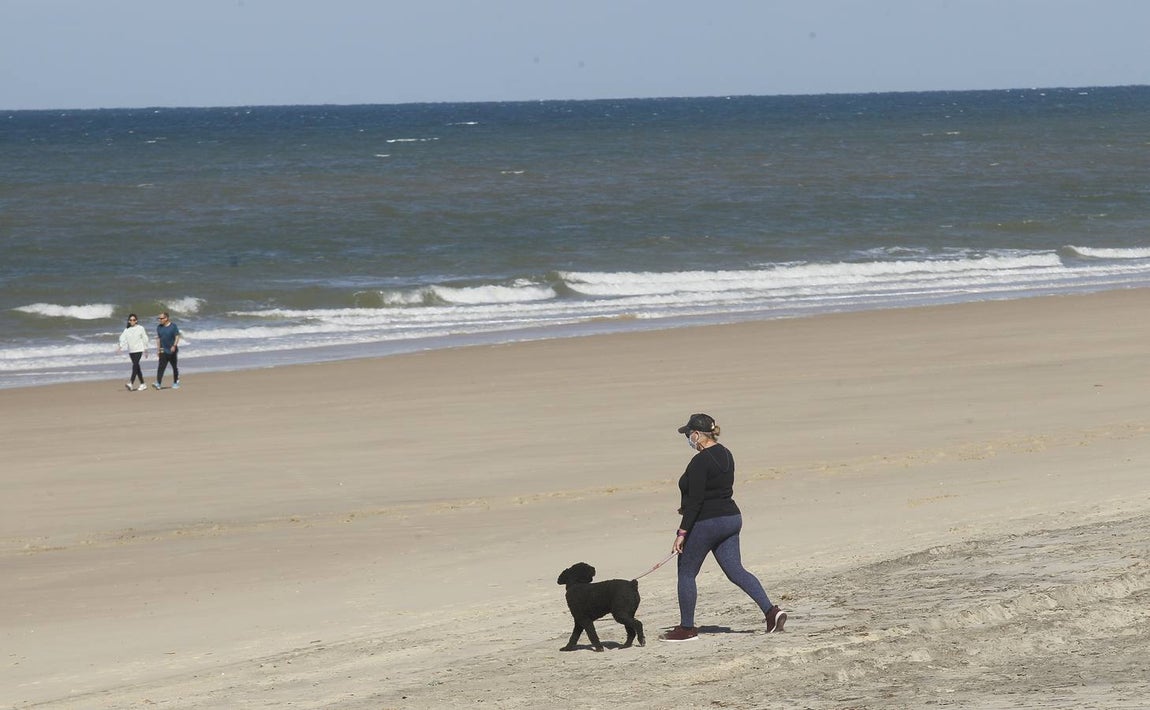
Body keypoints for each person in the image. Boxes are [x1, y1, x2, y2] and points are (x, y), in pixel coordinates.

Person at [661, 413, 786, 642]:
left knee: (686, 572)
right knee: (736, 570)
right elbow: (714, 489)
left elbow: (697, 501)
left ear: (697, 434)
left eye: (688, 435)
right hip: (731, 518)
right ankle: (771, 612)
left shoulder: (699, 461)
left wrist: (682, 532)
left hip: (708, 522)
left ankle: (687, 629)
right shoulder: (726, 454)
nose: (687, 439)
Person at [116, 313, 150, 391]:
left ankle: (131, 383)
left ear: (136, 321)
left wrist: (146, 349)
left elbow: (145, 338)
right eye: (130, 320)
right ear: (129, 321)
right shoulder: (127, 330)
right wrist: (120, 347)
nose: (132, 321)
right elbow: (122, 338)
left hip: (139, 349)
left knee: (135, 365)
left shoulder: (140, 328)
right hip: (131, 350)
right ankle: (143, 384)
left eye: (134, 320)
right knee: (137, 367)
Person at [153, 311, 182, 390]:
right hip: (163, 350)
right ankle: (158, 383)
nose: (160, 320)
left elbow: (177, 336)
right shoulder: (159, 327)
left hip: (172, 350)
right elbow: (158, 339)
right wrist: (158, 350)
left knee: (174, 367)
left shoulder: (173, 326)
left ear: (166, 318)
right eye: (159, 318)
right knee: (161, 367)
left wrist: (174, 346)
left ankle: (175, 383)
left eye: (161, 318)